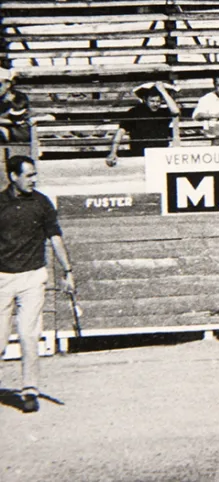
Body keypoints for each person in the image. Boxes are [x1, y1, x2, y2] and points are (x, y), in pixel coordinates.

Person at [0, 155, 75, 414]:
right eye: (29, 175)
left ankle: (30, 389)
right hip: (2, 278)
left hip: (32, 276)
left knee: (29, 335)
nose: (34, 179)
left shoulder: (42, 202)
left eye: (35, 174)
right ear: (13, 176)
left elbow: (55, 236)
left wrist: (67, 270)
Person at [106, 82, 180, 166]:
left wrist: (163, 92)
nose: (155, 104)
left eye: (158, 101)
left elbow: (176, 111)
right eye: (152, 101)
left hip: (159, 154)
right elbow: (120, 132)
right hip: (139, 154)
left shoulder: (163, 112)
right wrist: (113, 152)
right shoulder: (134, 112)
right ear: (145, 100)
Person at [0, 68, 31, 149]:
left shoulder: (18, 98)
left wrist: (6, 102)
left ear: (8, 84)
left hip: (18, 132)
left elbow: (16, 120)